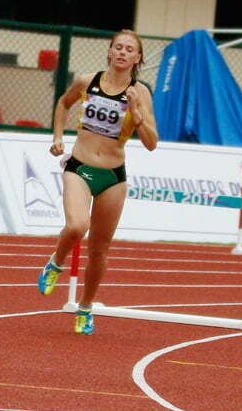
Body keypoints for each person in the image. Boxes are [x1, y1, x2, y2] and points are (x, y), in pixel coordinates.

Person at [38, 30, 159, 334]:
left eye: (129, 49)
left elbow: (151, 143)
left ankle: (85, 307)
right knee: (78, 226)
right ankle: (56, 261)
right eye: (118, 47)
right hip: (79, 166)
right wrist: (57, 137)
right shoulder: (87, 81)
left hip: (113, 176)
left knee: (99, 250)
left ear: (138, 58)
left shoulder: (140, 92)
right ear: (109, 51)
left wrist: (137, 113)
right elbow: (64, 104)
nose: (122, 52)